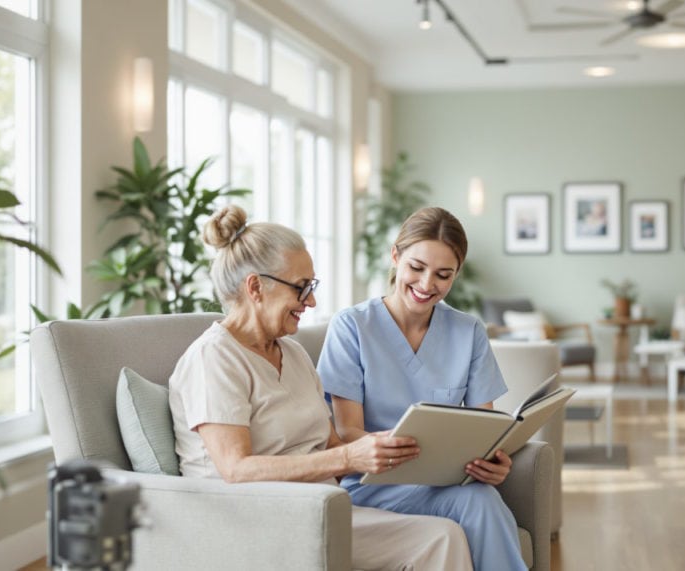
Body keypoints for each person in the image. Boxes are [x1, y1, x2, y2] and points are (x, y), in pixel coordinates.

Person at [168, 204, 472, 570]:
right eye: (301, 288)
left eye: (311, 288)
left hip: (320, 508)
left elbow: (333, 446)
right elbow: (236, 469)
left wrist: (393, 446)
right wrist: (347, 457)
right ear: (255, 287)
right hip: (252, 520)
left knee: (444, 534)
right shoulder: (213, 358)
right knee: (439, 539)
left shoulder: (293, 355)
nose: (311, 302)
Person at [318, 206, 527, 571]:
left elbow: (483, 426)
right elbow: (346, 430)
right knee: (478, 502)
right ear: (396, 256)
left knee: (480, 496)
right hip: (374, 484)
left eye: (443, 275)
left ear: (455, 275)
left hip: (444, 483)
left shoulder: (469, 332)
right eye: (416, 268)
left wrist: (493, 461)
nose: (427, 284)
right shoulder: (351, 326)